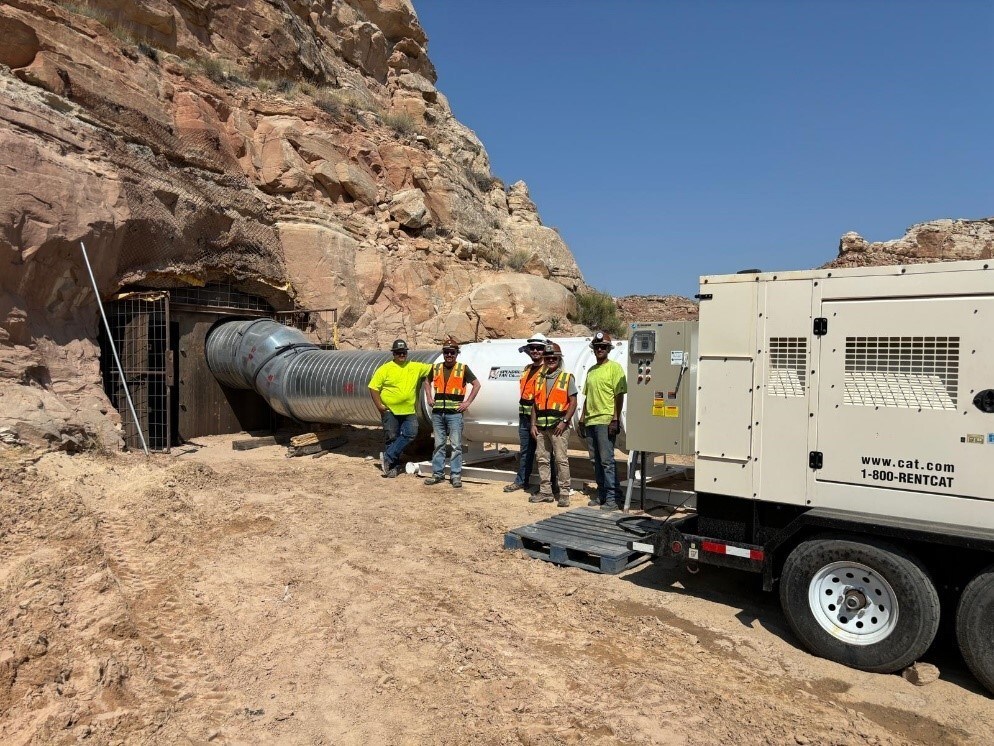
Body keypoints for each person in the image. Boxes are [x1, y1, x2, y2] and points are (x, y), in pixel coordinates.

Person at [368, 339, 432, 478]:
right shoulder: (385, 369)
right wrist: (379, 405)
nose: (401, 355)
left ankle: (388, 456)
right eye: (398, 353)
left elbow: (433, 369)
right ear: (394, 354)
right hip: (390, 410)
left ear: (406, 353)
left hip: (408, 411)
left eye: (403, 352)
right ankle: (393, 467)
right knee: (391, 438)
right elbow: (373, 387)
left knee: (411, 433)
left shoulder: (415, 367)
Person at [422, 339, 481, 488]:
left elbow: (476, 384)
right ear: (443, 353)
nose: (449, 355)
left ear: (456, 354)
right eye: (446, 352)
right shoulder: (436, 368)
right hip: (438, 414)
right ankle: (438, 474)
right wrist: (429, 396)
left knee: (456, 446)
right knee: (439, 445)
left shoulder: (462, 368)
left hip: (454, 414)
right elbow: (427, 382)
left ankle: (455, 476)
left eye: (452, 352)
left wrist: (467, 402)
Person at [579, 331, 628, 511]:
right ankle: (602, 495)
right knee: (595, 460)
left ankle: (613, 499)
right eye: (597, 347)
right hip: (591, 420)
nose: (600, 349)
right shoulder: (591, 371)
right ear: (594, 349)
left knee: (607, 461)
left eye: (603, 347)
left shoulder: (614, 368)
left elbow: (619, 395)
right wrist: (582, 420)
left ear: (608, 349)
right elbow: (587, 397)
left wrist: (615, 419)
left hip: (605, 420)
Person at [529, 342, 577, 507]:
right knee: (542, 459)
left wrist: (565, 422)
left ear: (559, 359)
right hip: (542, 426)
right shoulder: (539, 379)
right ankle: (546, 492)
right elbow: (535, 404)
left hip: (558, 427)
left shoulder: (566, 377)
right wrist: (533, 424)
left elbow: (573, 402)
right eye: (548, 358)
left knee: (561, 459)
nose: (550, 360)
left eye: (554, 358)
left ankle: (564, 493)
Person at [502, 333, 549, 494]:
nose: (535, 351)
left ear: (545, 350)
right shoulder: (527, 369)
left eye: (539, 348)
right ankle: (522, 481)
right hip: (524, 417)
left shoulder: (547, 370)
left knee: (545, 453)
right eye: (532, 348)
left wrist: (535, 422)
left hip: (540, 419)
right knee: (525, 451)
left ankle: (549, 486)